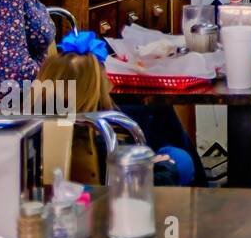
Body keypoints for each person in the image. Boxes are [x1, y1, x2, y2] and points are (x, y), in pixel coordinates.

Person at [33, 37, 195, 186]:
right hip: (120, 195)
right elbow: (135, 179)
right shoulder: (103, 138)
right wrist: (162, 166)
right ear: (98, 88)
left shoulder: (31, 133)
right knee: (179, 157)